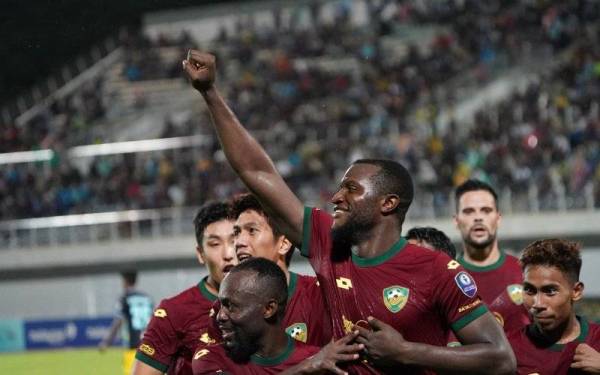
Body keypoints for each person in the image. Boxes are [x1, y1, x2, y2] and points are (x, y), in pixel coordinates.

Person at [183, 50, 515, 374]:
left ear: (388, 203)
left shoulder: (436, 269)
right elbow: (258, 173)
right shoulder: (329, 244)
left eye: (351, 189)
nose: (337, 197)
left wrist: (406, 352)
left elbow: (501, 358)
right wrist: (210, 92)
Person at [192, 257, 362, 374]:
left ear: (269, 309)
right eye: (221, 304)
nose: (220, 316)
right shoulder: (210, 358)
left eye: (231, 306)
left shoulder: (320, 362)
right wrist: (302, 370)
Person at [133, 201, 237, 375]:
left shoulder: (268, 305)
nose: (228, 254)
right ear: (200, 254)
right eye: (215, 244)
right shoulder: (174, 312)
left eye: (234, 241)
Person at [230, 193, 331, 346]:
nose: (239, 242)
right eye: (237, 233)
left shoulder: (319, 296)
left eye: (252, 230)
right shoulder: (225, 306)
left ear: (284, 244)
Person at [507, 239, 600, 374]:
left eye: (550, 291)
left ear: (576, 291)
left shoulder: (597, 340)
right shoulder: (508, 349)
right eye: (529, 290)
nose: (537, 304)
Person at [454, 179, 530, 332]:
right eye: (469, 211)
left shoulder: (525, 273)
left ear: (498, 218)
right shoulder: (445, 277)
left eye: (486, 210)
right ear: (456, 221)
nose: (478, 218)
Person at [100, 271, 154, 375]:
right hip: (149, 346)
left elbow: (118, 321)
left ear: (124, 282)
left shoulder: (125, 298)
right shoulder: (147, 298)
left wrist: (107, 341)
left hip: (133, 347)